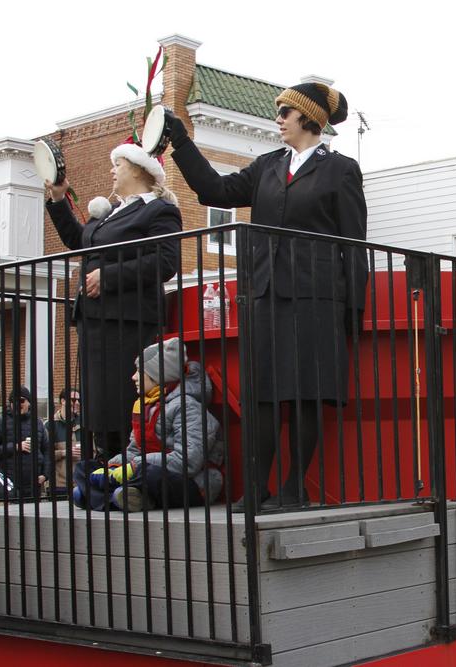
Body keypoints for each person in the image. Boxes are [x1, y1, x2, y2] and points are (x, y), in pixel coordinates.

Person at [166, 82, 367, 511]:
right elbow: (214, 192)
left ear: (309, 118)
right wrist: (181, 141)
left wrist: (354, 309)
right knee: (265, 396)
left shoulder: (341, 169)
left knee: (306, 395)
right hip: (266, 296)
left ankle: (296, 489)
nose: (278, 118)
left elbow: (354, 241)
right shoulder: (267, 166)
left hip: (316, 298)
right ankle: (257, 488)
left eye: (285, 112)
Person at [46, 144, 183, 463]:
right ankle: (104, 467)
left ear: (138, 169)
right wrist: (57, 199)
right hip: (95, 318)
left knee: (120, 398)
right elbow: (79, 242)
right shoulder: (111, 211)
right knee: (97, 403)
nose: (112, 170)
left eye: (117, 164)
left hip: (127, 319)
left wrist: (107, 276)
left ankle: (126, 466)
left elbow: (165, 262)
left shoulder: (158, 210)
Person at [72, 338, 223, 512]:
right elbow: (134, 450)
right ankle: (126, 497)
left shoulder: (188, 406)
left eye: (139, 371)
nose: (133, 377)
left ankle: (100, 497)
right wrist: (112, 468)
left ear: (158, 374)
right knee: (84, 468)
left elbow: (188, 461)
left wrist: (136, 466)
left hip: (194, 482)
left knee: (147, 474)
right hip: (147, 469)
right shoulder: (145, 405)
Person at [0, 386, 52, 498]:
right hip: (8, 483)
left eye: (21, 401)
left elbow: (47, 450)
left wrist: (45, 475)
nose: (17, 404)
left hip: (33, 484)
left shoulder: (37, 423)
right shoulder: (0, 422)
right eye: (13, 401)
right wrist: (15, 447)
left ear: (29, 402)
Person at [47, 387, 82, 495]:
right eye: (73, 400)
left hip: (81, 484)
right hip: (59, 485)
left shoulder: (84, 423)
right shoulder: (50, 425)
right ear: (63, 401)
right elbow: (45, 455)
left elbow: (94, 452)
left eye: (78, 400)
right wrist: (64, 453)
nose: (77, 403)